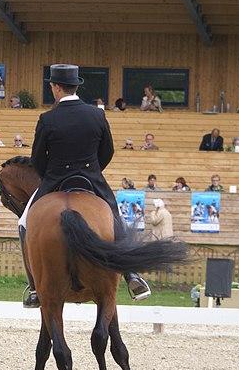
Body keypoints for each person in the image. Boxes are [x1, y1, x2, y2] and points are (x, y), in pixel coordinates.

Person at [24, 64, 150, 308]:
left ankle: (34, 286)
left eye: (51, 86)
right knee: (115, 217)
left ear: (57, 87)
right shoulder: (97, 115)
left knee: (24, 222)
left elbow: (38, 158)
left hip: (55, 179)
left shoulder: (48, 119)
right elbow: (108, 151)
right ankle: (132, 275)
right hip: (92, 178)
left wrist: (50, 174)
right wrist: (93, 171)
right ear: (75, 86)